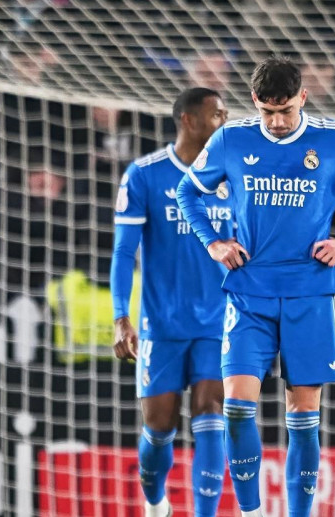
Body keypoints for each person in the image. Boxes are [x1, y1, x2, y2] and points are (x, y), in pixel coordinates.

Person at [176, 55, 335, 517]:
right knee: (236, 411)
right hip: (247, 294)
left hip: (311, 296)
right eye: (267, 112)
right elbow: (187, 192)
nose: (277, 122)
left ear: (303, 97)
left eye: (286, 111)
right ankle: (251, 512)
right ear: (254, 102)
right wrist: (214, 242)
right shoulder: (230, 140)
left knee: (303, 422)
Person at [111, 87, 232, 517]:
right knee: (159, 428)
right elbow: (125, 252)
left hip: (218, 322)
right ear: (189, 120)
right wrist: (121, 317)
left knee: (211, 410)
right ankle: (155, 501)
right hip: (161, 327)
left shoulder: (233, 175)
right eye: (217, 114)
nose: (225, 121)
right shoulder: (145, 175)